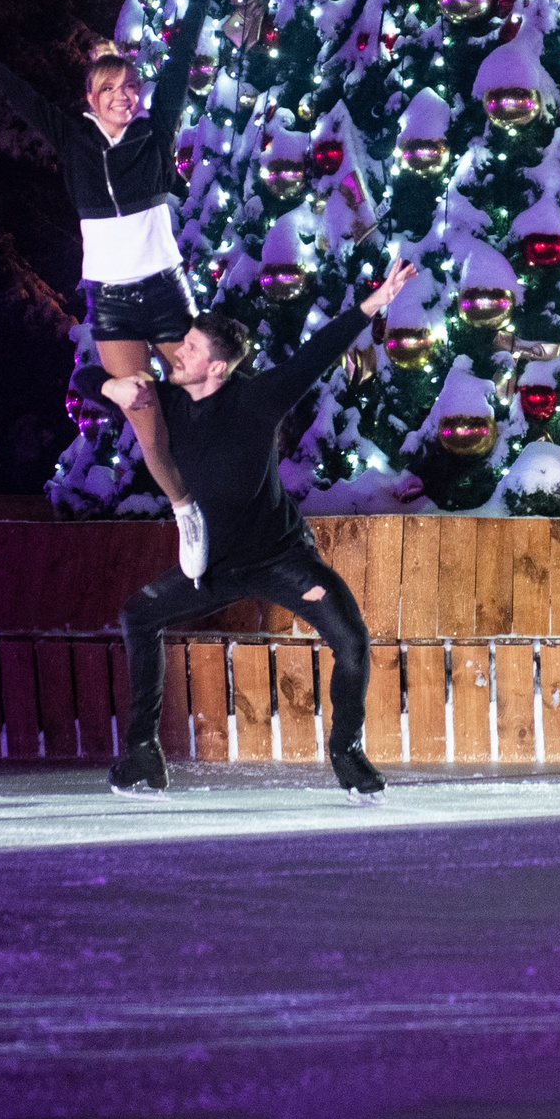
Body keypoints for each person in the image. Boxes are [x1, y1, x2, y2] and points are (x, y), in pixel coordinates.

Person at [0, 0, 242, 581]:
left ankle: (231, 494)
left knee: (202, 386)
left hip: (165, 288)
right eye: (111, 88)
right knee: (142, 413)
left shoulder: (154, 130)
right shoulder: (70, 138)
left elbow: (178, 60)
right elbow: (12, 90)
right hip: (112, 298)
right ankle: (186, 511)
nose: (125, 96)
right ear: (91, 98)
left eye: (130, 87)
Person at [104, 259, 418, 799]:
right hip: (213, 566)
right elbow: (89, 380)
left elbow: (315, 356)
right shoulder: (166, 401)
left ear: (219, 368)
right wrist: (111, 389)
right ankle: (141, 754)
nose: (180, 352)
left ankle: (347, 751)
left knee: (351, 639)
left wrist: (374, 302)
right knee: (138, 615)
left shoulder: (255, 401)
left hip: (281, 559)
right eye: (186, 344)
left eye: (193, 349)